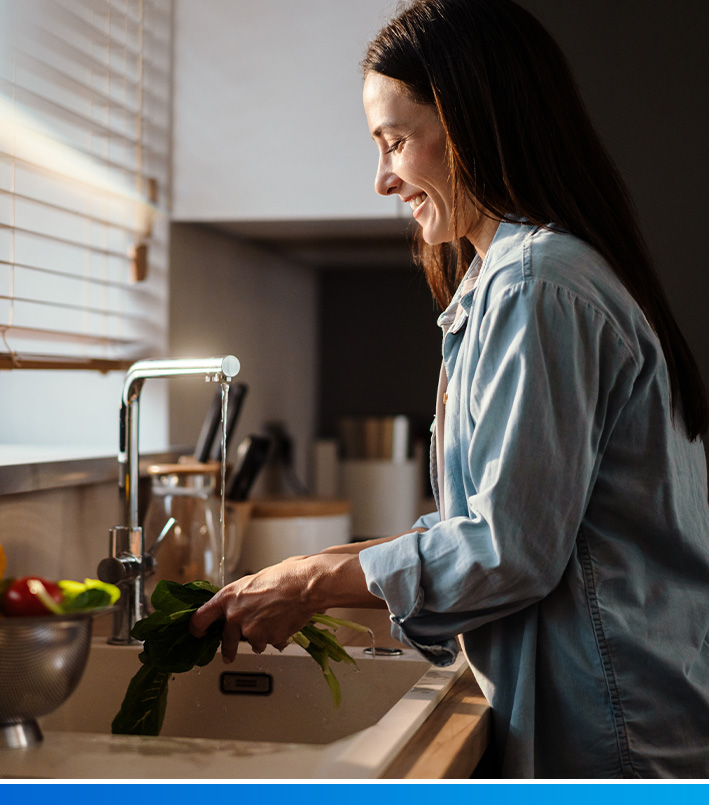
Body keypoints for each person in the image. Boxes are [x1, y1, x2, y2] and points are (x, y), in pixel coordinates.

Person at [191, 0, 709, 778]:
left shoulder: (538, 285)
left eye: (395, 141)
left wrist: (313, 578)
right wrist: (325, 567)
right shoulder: (521, 277)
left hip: (613, 735)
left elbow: (510, 550)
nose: (381, 179)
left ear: (472, 124)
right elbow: (505, 520)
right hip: (618, 715)